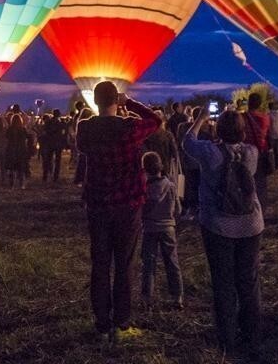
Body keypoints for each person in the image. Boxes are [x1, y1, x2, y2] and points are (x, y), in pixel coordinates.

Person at [74, 81, 160, 342]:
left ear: (96, 101)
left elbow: (80, 147)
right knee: (124, 264)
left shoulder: (85, 128)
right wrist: (130, 103)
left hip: (98, 204)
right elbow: (155, 120)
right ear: (116, 100)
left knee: (100, 264)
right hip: (127, 204)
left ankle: (102, 324)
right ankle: (122, 323)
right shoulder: (129, 127)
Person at [182, 109, 263, 356]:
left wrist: (200, 120)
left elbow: (187, 142)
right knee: (248, 281)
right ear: (242, 131)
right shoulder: (251, 153)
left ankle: (227, 339)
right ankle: (251, 334)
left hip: (219, 225)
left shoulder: (209, 153)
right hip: (250, 225)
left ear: (218, 130)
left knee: (223, 283)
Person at [139, 151, 182, 309]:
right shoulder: (171, 185)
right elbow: (178, 209)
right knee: (172, 261)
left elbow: (143, 209)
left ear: (144, 169)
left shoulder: (146, 189)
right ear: (161, 167)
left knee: (148, 264)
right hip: (168, 227)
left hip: (150, 228)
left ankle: (147, 298)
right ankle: (177, 296)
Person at [241, 94, 271, 211]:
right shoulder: (265, 118)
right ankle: (261, 208)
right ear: (259, 104)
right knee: (261, 182)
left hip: (245, 153)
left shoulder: (242, 117)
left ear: (248, 102)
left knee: (246, 181)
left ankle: (248, 207)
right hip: (261, 151)